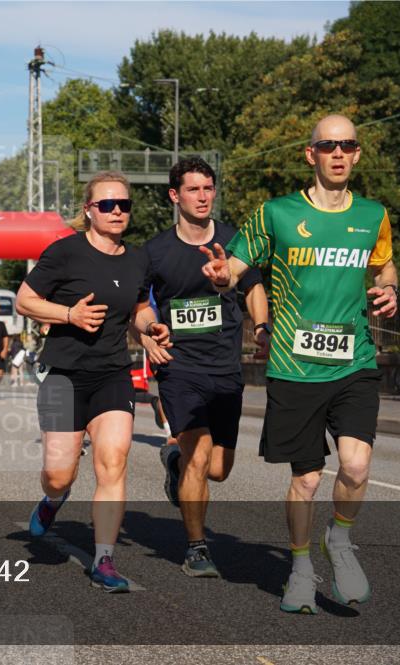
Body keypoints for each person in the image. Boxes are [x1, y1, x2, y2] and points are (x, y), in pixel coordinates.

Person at [200, 114, 398, 613]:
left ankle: (340, 539)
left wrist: (390, 287)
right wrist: (222, 277)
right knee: (307, 480)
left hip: (354, 360)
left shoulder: (373, 215)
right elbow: (235, 268)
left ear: (357, 154)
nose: (338, 153)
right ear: (311, 154)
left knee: (356, 464)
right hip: (294, 365)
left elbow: (383, 264)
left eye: (347, 145)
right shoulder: (276, 214)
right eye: (328, 145)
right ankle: (302, 567)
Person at [16, 171, 171, 592]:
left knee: (113, 460)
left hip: (112, 374)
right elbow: (25, 300)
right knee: (58, 475)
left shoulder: (138, 259)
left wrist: (150, 327)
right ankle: (54, 499)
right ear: (89, 210)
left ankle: (104, 560)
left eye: (124, 205)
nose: (117, 211)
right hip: (63, 376)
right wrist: (69, 314)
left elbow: (138, 308)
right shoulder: (64, 252)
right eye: (107, 205)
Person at [139, 157, 270, 578]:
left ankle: (174, 462)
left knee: (218, 469)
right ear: (174, 196)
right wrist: (148, 331)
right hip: (179, 368)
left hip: (225, 367)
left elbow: (254, 288)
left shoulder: (234, 240)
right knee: (199, 457)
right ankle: (197, 548)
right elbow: (139, 306)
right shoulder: (155, 251)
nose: (202, 196)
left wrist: (262, 327)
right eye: (193, 189)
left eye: (208, 188)